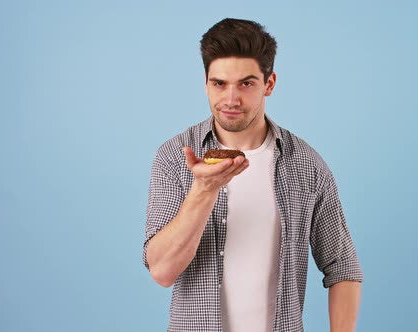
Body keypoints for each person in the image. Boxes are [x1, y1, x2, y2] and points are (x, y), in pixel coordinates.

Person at [143, 18, 363, 332]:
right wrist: (203, 190)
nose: (231, 99)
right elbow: (162, 271)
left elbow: (343, 268)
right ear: (206, 82)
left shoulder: (307, 164)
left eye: (246, 83)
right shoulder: (174, 156)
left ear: (269, 84)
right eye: (219, 83)